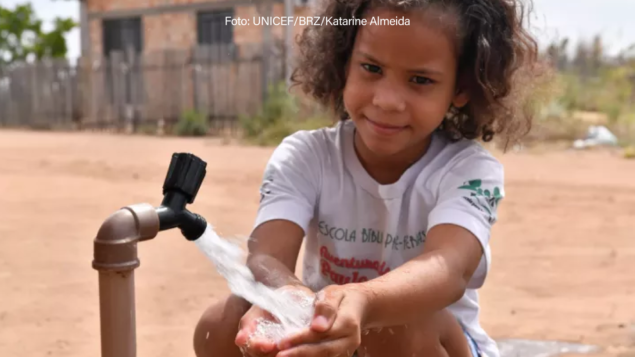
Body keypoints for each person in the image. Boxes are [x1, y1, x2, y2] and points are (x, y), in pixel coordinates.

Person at [194, 0, 544, 356]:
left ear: (461, 88)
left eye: (420, 80)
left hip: (435, 346)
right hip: (336, 342)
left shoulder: (467, 170)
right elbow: (267, 255)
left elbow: (450, 269)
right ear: (344, 63)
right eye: (371, 68)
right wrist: (288, 294)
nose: (387, 100)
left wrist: (362, 301)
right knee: (222, 322)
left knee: (398, 328)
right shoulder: (307, 157)